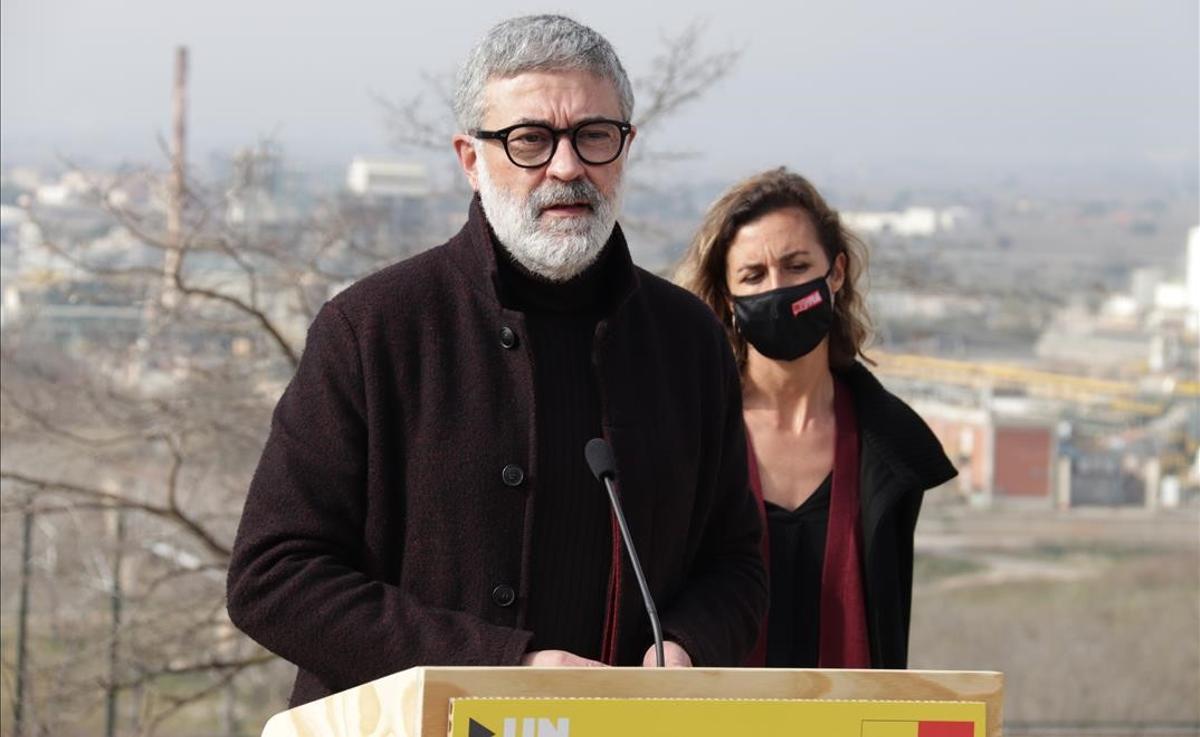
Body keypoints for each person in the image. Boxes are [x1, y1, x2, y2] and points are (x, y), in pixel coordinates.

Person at [226, 15, 766, 707]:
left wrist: (687, 643)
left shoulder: (687, 339)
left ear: (624, 149)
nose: (567, 167)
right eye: (529, 140)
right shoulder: (372, 328)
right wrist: (502, 665)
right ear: (470, 159)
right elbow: (271, 577)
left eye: (594, 136)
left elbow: (737, 565)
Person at [676, 168, 956, 669]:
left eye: (796, 265)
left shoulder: (887, 447)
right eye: (753, 276)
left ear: (837, 273)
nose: (778, 289)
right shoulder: (686, 438)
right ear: (728, 299)